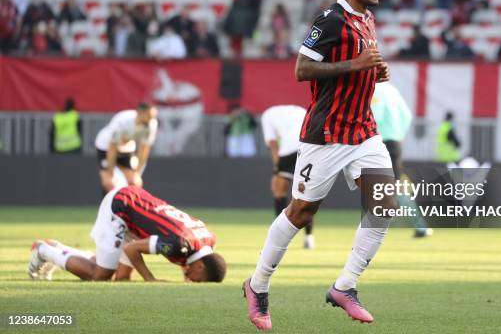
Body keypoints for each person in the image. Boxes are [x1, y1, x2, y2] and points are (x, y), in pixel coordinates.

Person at [243, 0, 393, 330]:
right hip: (327, 134)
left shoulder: (367, 19)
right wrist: (356, 63)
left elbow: (356, 68)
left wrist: (371, 72)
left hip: (363, 131)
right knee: (301, 212)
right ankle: (257, 284)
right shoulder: (330, 19)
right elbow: (302, 70)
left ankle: (345, 286)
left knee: (384, 204)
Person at [28, 186, 226, 283]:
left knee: (121, 277)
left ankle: (58, 248)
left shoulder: (208, 241)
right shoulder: (179, 244)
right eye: (197, 279)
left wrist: (186, 270)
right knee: (100, 275)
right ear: (200, 265)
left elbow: (188, 258)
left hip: (135, 206)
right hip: (121, 207)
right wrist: (150, 279)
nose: (192, 281)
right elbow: (132, 249)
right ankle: (44, 251)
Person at [370, 82, 431, 238]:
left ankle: (418, 225)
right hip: (394, 142)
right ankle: (419, 226)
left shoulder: (375, 90)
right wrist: (400, 135)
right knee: (394, 185)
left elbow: (375, 115)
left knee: (389, 186)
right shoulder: (392, 89)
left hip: (382, 142)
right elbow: (407, 115)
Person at [260, 105, 314, 248]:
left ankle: (280, 236)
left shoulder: (267, 115)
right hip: (309, 148)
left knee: (279, 192)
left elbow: (273, 144)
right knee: (307, 197)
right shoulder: (300, 110)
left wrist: (276, 171)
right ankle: (309, 237)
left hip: (289, 150)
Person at [94, 103, 158, 195]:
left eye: (152, 117)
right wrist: (111, 173)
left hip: (126, 148)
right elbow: (112, 148)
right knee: (109, 183)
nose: (151, 119)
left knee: (135, 183)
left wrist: (137, 172)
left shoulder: (151, 124)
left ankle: (131, 208)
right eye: (148, 116)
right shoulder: (122, 121)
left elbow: (144, 150)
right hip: (105, 147)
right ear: (140, 113)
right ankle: (106, 207)